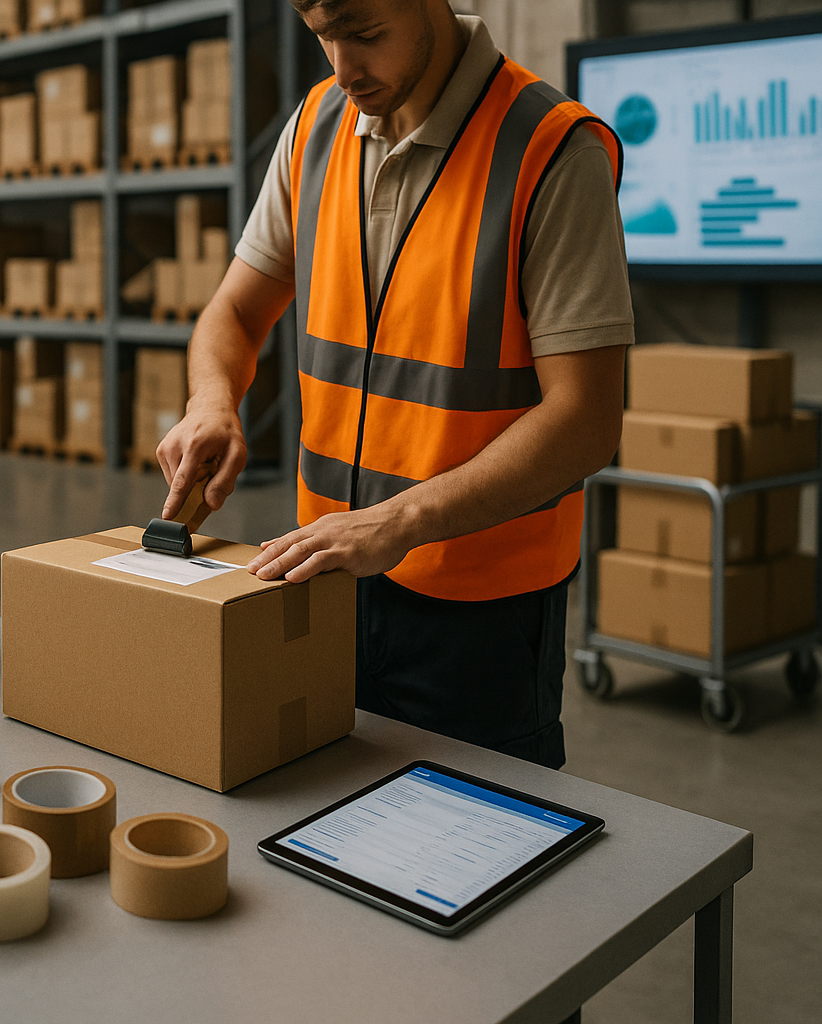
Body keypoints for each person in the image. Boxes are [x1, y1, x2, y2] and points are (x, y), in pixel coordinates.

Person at [156, 0, 633, 768]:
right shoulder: (316, 129)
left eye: (365, 34)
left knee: (468, 862)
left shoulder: (549, 149)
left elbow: (585, 420)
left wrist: (397, 523)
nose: (341, 67)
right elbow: (234, 314)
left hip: (483, 617)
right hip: (326, 575)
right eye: (322, 37)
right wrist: (212, 402)